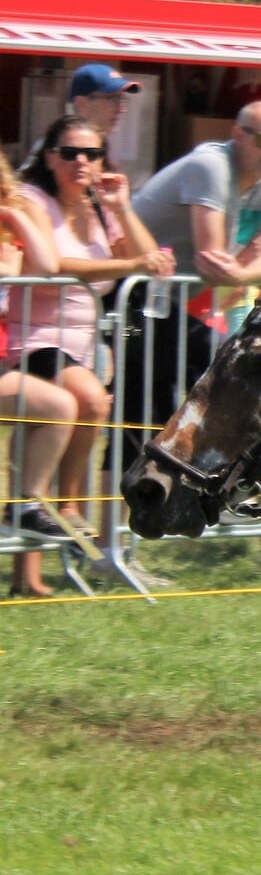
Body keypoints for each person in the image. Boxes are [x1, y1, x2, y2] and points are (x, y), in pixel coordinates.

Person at [15, 115, 169, 545]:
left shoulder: (98, 207)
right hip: (35, 334)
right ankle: (58, 505)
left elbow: (150, 258)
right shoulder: (32, 200)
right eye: (69, 153)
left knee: (85, 408)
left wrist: (121, 207)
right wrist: (130, 265)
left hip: (83, 343)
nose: (80, 161)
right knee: (92, 402)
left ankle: (47, 525)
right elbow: (56, 265)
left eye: (92, 153)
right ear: (49, 157)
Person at [124, 100, 261, 471]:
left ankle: (199, 484)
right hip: (140, 288)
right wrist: (246, 262)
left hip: (187, 299)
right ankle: (115, 515)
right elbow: (211, 258)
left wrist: (241, 272)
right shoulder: (211, 166)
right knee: (140, 413)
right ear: (237, 135)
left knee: (210, 392)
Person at [0, 150, 82, 595]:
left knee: (58, 405)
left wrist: (13, 214)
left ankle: (23, 507)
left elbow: (46, 267)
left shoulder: (5, 236)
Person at [17, 64, 142, 177]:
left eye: (121, 100)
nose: (120, 109)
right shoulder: (56, 145)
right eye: (112, 99)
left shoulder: (105, 145)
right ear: (82, 104)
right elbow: (21, 190)